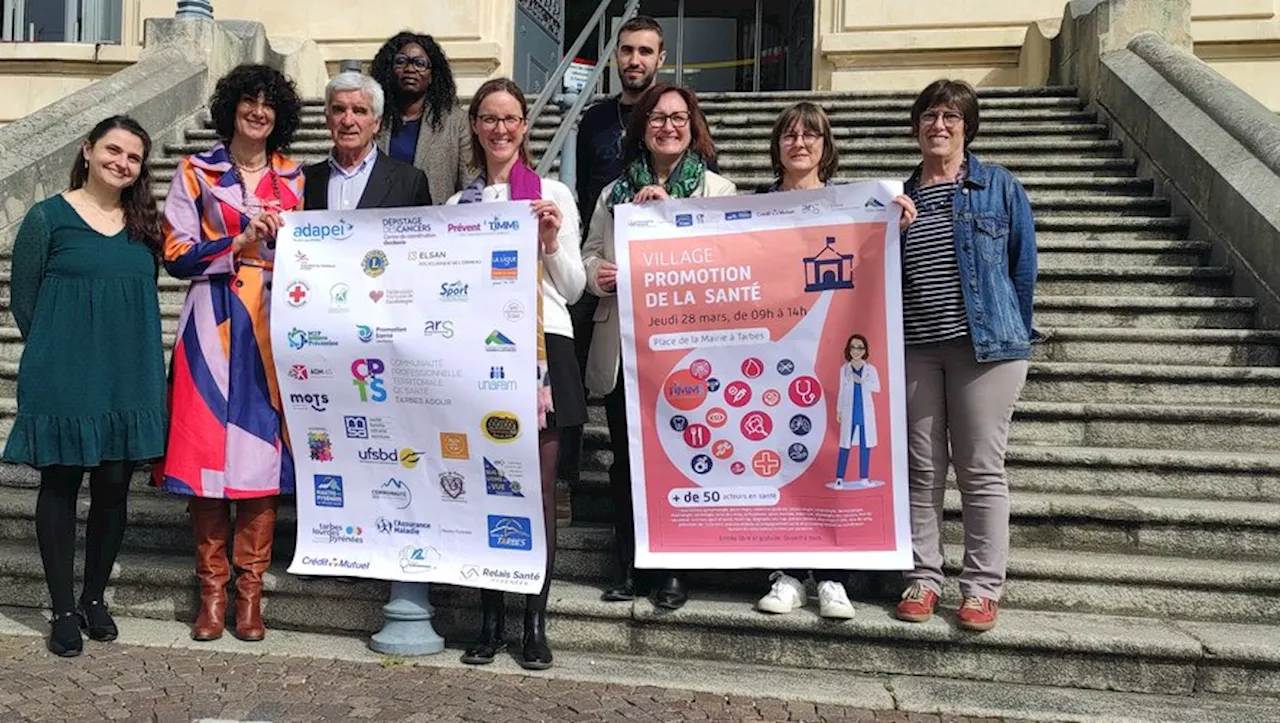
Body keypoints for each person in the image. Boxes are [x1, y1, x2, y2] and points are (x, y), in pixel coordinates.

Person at [3, 116, 167, 657]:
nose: (122, 163)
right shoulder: (47, 219)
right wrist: (61, 348)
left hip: (127, 377)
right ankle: (63, 608)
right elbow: (24, 303)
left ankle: (95, 597)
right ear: (88, 150)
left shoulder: (146, 225)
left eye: (134, 157)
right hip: (65, 377)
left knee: (115, 488)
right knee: (60, 488)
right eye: (112, 150)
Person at [155, 64, 305, 643]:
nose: (258, 113)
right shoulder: (196, 170)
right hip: (210, 325)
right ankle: (211, 594)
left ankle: (250, 595)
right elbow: (175, 253)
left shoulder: (297, 176)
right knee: (203, 456)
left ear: (279, 116)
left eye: (269, 105)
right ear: (233, 108)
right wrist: (238, 241)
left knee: (261, 459)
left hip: (274, 322)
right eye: (249, 102)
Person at [752, 101, 915, 620]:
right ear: (777, 145)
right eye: (790, 134)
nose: (800, 143)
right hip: (773, 355)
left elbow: (872, 264)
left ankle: (831, 577)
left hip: (830, 351)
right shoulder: (753, 205)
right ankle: (782, 574)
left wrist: (898, 228)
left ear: (826, 145)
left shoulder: (852, 206)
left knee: (826, 457)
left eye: (811, 135)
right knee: (777, 458)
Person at [447, 78, 586, 671]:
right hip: (479, 355)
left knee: (537, 492)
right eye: (489, 118)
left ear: (525, 126)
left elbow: (577, 287)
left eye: (511, 119)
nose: (500, 129)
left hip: (542, 348)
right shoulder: (459, 205)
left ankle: (534, 621)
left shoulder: (550, 192)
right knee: (485, 490)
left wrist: (551, 241)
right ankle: (491, 621)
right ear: (475, 126)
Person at [582, 83, 736, 611]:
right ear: (641, 127)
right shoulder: (612, 193)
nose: (667, 126)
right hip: (624, 347)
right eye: (656, 118)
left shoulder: (718, 191)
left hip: (684, 354)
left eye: (678, 117)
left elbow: (727, 266)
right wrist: (597, 275)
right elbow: (587, 258)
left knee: (681, 458)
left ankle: (672, 568)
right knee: (627, 461)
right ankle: (630, 564)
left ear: (694, 126)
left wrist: (670, 218)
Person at [894, 79, 1036, 632]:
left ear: (966, 126)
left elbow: (1022, 270)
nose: (939, 126)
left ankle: (980, 588)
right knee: (921, 470)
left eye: (951, 117)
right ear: (916, 126)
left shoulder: (998, 186)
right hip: (915, 348)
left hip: (987, 348)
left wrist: (1011, 334)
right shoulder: (896, 196)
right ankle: (924, 578)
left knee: (980, 469)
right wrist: (891, 230)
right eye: (930, 115)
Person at [303, 72, 431, 210]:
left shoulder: (409, 181)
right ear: (328, 119)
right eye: (339, 110)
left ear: (377, 123)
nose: (348, 121)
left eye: (359, 111)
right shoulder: (305, 180)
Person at [372, 31, 470, 205]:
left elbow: (468, 185)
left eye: (420, 63)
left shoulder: (457, 122)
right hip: (380, 224)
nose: (410, 69)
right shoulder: (373, 120)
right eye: (401, 62)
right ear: (389, 70)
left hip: (435, 224)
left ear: (432, 75)